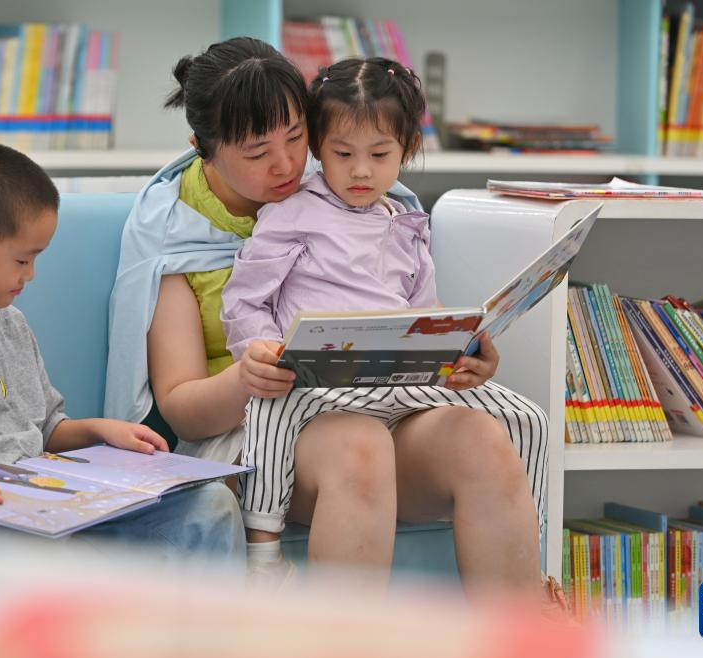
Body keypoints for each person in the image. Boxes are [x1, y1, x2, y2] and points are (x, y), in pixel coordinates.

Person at [104, 39, 549, 598]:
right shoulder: (173, 237)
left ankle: (523, 631)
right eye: (257, 151)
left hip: (380, 405)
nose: (287, 165)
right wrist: (248, 377)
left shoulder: (367, 194)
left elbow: (410, 311)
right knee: (358, 446)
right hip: (255, 431)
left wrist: (455, 354)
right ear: (203, 149)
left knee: (482, 438)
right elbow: (183, 413)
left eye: (296, 138)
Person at [0, 143, 244, 566]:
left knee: (210, 505)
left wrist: (102, 431)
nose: (31, 275)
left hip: (46, 499)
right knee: (72, 558)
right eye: (22, 260)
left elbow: (45, 428)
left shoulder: (10, 321)